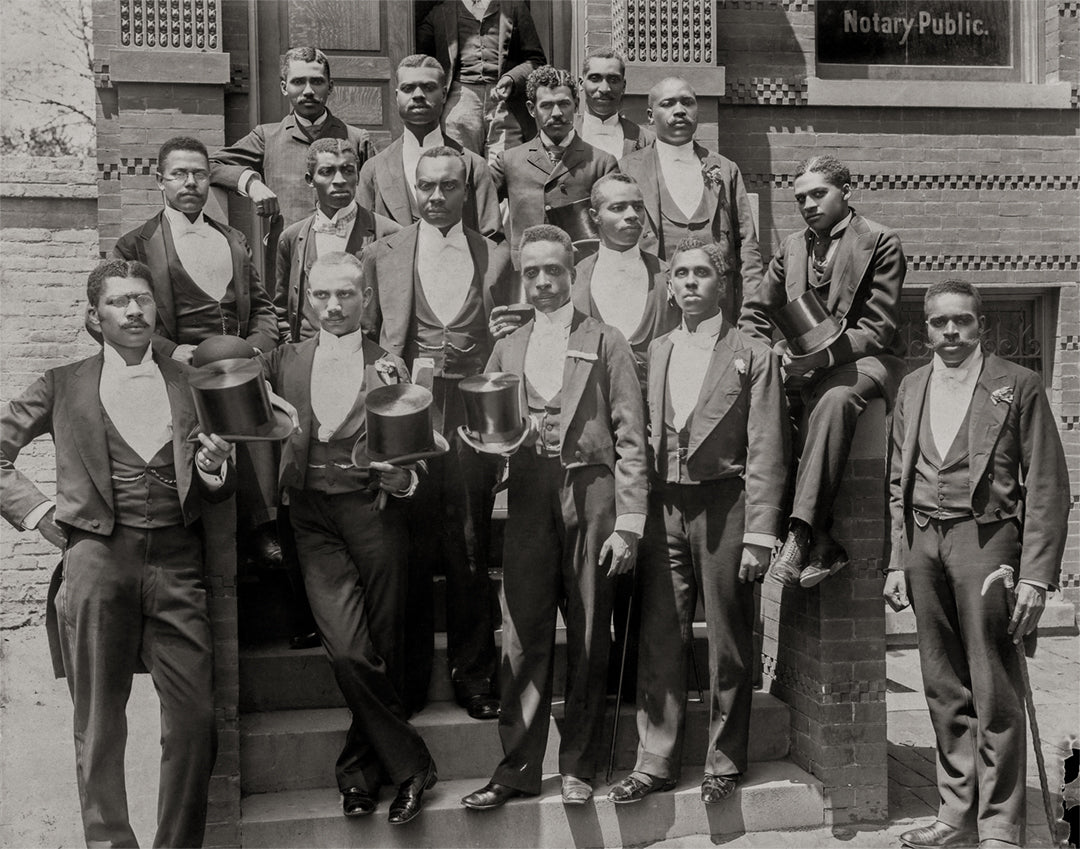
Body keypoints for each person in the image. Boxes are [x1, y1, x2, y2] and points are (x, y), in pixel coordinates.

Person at [0, 259, 236, 848]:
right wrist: (38, 515)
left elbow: (225, 480)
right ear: (94, 317)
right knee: (100, 724)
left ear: (156, 310)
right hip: (96, 564)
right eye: (118, 302)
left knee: (195, 722)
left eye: (142, 300)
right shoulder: (62, 382)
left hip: (179, 565)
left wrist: (214, 470)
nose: (133, 311)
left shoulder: (190, 382)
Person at [461, 225, 647, 810]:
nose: (542, 281)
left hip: (591, 492)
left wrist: (629, 520)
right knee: (522, 632)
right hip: (529, 496)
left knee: (591, 629)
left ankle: (580, 766)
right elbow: (490, 427)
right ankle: (516, 767)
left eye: (554, 271)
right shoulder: (507, 346)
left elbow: (631, 434)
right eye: (532, 272)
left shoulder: (606, 338)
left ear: (573, 274)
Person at [883, 281, 1070, 849]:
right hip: (921, 542)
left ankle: (1000, 825)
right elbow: (897, 482)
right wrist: (896, 561)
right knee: (941, 683)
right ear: (926, 329)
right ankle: (954, 813)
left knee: (993, 684)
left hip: (985, 543)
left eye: (962, 321)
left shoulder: (1017, 385)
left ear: (980, 325)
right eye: (939, 323)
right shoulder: (912, 387)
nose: (950, 333)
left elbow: (1046, 485)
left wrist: (1036, 574)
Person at [607, 239, 787, 807]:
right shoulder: (656, 349)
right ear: (668, 285)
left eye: (702, 273)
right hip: (664, 506)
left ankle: (724, 760)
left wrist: (760, 532)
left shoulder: (752, 353)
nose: (689, 283)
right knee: (661, 633)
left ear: (723, 284)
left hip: (726, 505)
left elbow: (766, 447)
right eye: (680, 273)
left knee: (729, 640)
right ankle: (655, 761)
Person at [259, 252, 438, 824]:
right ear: (306, 301)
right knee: (349, 650)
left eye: (345, 296)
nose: (333, 307)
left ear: (366, 300)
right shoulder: (283, 361)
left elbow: (415, 454)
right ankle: (413, 767)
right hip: (310, 516)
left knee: (382, 645)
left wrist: (405, 477)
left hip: (374, 512)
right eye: (321, 297)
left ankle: (359, 775)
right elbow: (228, 389)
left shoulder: (391, 366)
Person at [362, 146, 513, 719]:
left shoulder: (496, 256)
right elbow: (370, 332)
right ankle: (410, 680)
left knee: (471, 547)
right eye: (426, 186)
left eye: (449, 186)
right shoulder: (383, 252)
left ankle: (475, 677)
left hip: (473, 416)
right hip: (408, 412)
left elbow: (508, 332)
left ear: (467, 190)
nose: (435, 196)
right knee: (410, 547)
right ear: (412, 188)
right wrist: (385, 368)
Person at [112, 136, 283, 570]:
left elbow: (263, 310)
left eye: (200, 174)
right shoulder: (135, 245)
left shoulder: (233, 238)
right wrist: (172, 350)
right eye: (179, 174)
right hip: (177, 376)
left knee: (265, 426)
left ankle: (264, 527)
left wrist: (258, 352)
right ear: (159, 181)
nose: (191, 182)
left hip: (240, 368)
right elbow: (119, 318)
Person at [739, 154, 906, 588]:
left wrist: (821, 360)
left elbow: (878, 328)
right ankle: (824, 542)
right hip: (805, 364)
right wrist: (763, 357)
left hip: (866, 360)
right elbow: (756, 311)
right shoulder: (792, 247)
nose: (809, 204)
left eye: (819, 193)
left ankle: (798, 534)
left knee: (834, 401)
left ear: (846, 192)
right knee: (768, 402)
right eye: (800, 198)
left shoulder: (882, 241)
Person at [619, 76, 762, 320]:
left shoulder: (725, 169)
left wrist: (751, 318)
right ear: (651, 116)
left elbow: (747, 248)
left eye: (687, 103)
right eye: (668, 104)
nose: (679, 111)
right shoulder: (627, 170)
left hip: (720, 312)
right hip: (652, 311)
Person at [211, 46, 376, 226]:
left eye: (317, 82)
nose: (308, 91)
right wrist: (251, 183)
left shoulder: (356, 139)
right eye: (298, 82)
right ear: (284, 87)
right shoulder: (267, 137)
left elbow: (378, 196)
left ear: (330, 86)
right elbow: (210, 166)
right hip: (288, 250)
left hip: (347, 248)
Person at [357, 54, 502, 240]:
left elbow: (493, 241)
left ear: (443, 94)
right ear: (396, 96)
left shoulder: (474, 165)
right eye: (408, 88)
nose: (418, 95)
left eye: (428, 87)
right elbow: (364, 243)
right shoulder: (374, 169)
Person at [491, 66, 619, 268]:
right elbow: (479, 209)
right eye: (547, 106)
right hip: (525, 273)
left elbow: (614, 223)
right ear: (531, 109)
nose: (557, 113)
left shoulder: (602, 163)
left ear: (576, 105)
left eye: (564, 104)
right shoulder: (509, 161)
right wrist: (500, 253)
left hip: (582, 271)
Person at [276, 138, 400, 343]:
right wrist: (294, 352)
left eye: (348, 170)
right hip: (310, 359)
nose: (340, 179)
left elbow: (399, 310)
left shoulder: (390, 234)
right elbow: (281, 309)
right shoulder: (291, 238)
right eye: (327, 172)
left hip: (366, 359)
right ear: (310, 179)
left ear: (358, 177)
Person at [573, 172, 679, 387]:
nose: (632, 215)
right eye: (618, 208)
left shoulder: (668, 275)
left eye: (638, 207)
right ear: (595, 216)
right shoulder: (575, 280)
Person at [416, 0, 546, 158]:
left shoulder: (514, 7)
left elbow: (536, 60)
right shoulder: (441, 12)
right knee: (460, 167)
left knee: (503, 169)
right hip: (460, 104)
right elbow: (417, 55)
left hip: (506, 105)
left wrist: (512, 78)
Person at [574, 47, 654, 160]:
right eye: (595, 78)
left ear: (624, 86)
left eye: (613, 80)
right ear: (581, 84)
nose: (605, 89)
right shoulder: (566, 134)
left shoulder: (645, 140)